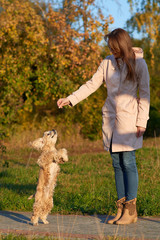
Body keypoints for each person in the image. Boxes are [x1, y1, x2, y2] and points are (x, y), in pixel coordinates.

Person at [57, 28, 150, 225]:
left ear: (122, 45)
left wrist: (142, 121)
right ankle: (121, 207)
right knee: (117, 163)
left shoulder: (139, 63)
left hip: (129, 120)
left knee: (128, 162)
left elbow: (145, 93)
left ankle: (131, 211)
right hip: (110, 118)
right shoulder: (107, 62)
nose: (111, 50)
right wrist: (71, 99)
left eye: (114, 47)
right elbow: (91, 84)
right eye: (109, 47)